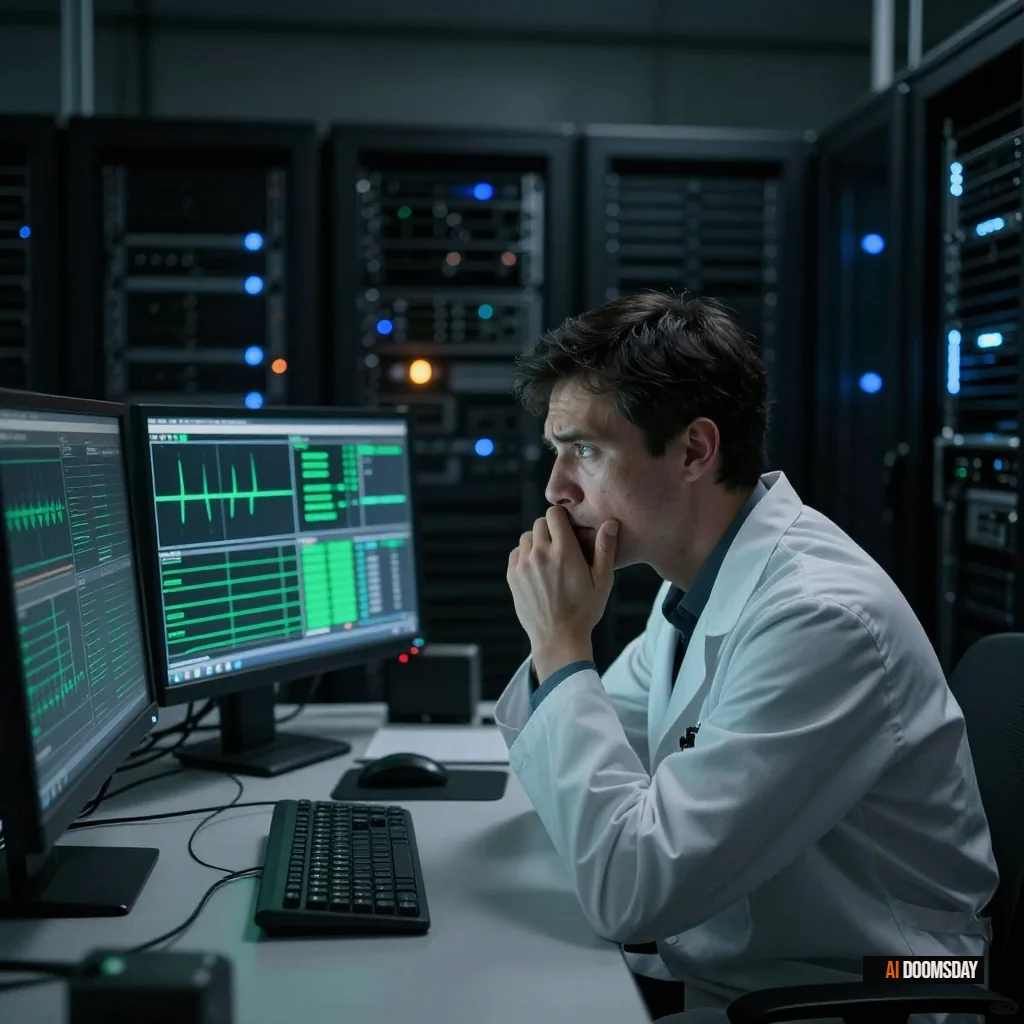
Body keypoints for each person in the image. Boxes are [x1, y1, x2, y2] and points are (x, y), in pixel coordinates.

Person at [493, 290, 998, 1022]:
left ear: (695, 450)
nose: (556, 488)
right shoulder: (697, 585)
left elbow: (632, 893)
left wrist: (561, 642)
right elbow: (594, 762)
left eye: (586, 450)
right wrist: (558, 656)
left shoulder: (821, 619)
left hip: (889, 980)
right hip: (762, 969)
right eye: (557, 450)